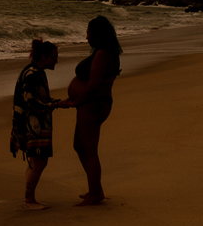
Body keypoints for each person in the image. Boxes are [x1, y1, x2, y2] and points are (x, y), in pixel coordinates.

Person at [60, 15, 121, 206]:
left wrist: (75, 101)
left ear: (97, 34)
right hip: (94, 103)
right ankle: (95, 188)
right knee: (79, 146)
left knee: (89, 149)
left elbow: (93, 85)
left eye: (88, 33)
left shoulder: (102, 53)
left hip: (93, 104)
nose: (86, 37)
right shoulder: (106, 52)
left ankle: (96, 192)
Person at [10, 39, 63, 210]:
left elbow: (40, 99)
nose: (56, 60)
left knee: (36, 162)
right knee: (38, 162)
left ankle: (30, 199)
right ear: (43, 56)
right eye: (54, 57)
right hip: (32, 124)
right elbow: (31, 102)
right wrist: (55, 105)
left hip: (36, 123)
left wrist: (58, 102)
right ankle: (29, 201)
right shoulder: (32, 74)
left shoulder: (37, 72)